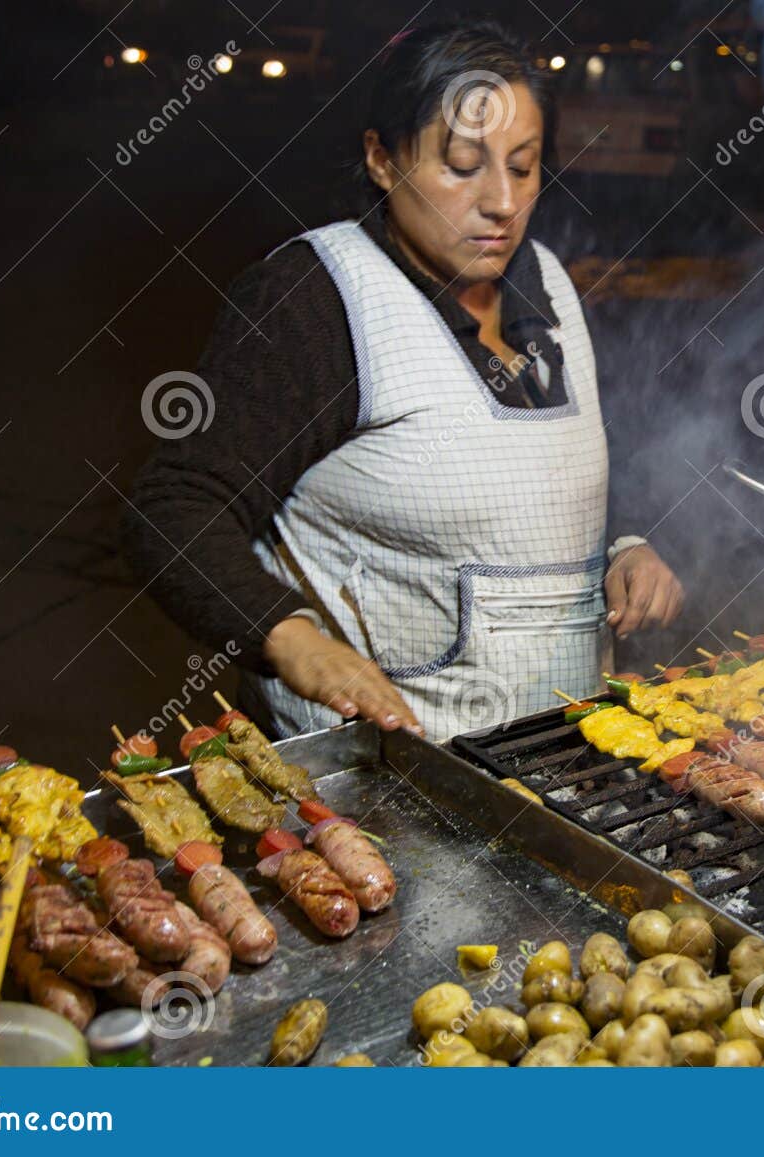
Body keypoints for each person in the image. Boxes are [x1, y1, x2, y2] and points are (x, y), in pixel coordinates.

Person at [123, 21, 683, 741]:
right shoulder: (315, 301)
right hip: (387, 779)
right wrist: (287, 636)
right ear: (382, 159)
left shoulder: (549, 284)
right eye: (461, 164)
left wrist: (627, 543)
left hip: (562, 762)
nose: (502, 203)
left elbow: (564, 464)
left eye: (523, 165)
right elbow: (171, 508)